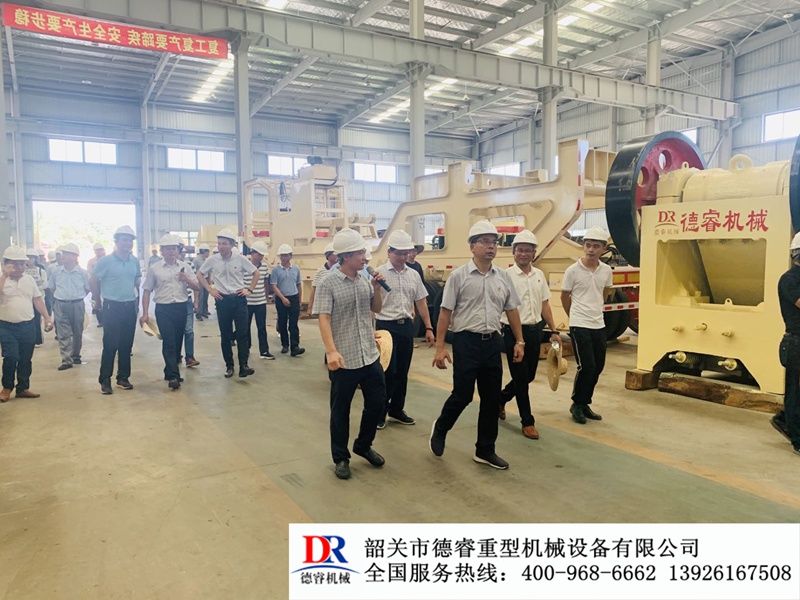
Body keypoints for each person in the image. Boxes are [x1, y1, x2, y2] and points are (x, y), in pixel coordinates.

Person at [429, 220, 524, 470]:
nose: (491, 246)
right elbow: (445, 313)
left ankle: (485, 450)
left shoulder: (503, 276)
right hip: (466, 342)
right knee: (462, 395)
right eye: (485, 242)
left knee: (491, 399)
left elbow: (512, 310)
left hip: (492, 342)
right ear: (472, 247)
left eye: (494, 242)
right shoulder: (458, 277)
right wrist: (440, 347)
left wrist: (519, 341)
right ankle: (441, 428)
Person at [314, 228, 388, 480]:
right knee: (340, 410)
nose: (365, 258)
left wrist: (376, 288)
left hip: (368, 354)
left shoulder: (364, 280)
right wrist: (331, 351)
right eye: (360, 253)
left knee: (377, 402)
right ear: (345, 256)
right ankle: (341, 457)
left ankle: (363, 445)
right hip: (344, 359)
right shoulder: (328, 283)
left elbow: (375, 309)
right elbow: (324, 318)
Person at [497, 230, 560, 439]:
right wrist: (517, 338)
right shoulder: (506, 276)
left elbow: (545, 304)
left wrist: (553, 330)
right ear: (513, 252)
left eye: (528, 250)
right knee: (521, 379)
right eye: (520, 250)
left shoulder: (539, 275)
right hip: (513, 332)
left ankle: (501, 399)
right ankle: (527, 421)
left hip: (534, 330)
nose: (523, 254)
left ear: (534, 253)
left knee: (529, 376)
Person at [374, 230, 435, 429]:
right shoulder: (379, 274)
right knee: (387, 372)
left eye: (405, 253)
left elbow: (421, 302)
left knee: (402, 371)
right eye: (398, 253)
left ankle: (397, 409)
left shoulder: (413, 275)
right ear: (389, 252)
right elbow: (370, 305)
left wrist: (428, 327)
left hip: (406, 327)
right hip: (386, 327)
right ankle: (380, 411)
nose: (402, 257)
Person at [560, 227, 613, 425]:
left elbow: (605, 292)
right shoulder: (573, 270)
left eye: (596, 246)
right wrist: (573, 316)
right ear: (583, 246)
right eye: (588, 245)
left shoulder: (606, 271)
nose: (591, 249)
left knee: (598, 366)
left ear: (603, 248)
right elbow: (565, 296)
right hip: (579, 323)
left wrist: (596, 309)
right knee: (586, 366)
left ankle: (585, 403)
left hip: (598, 323)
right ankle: (576, 403)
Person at [197, 229, 258, 379]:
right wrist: (210, 290)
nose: (221, 247)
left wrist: (249, 289)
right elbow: (200, 274)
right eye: (219, 243)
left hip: (239, 300)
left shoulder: (240, 259)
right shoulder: (213, 260)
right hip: (222, 300)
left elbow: (256, 273)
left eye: (224, 244)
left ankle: (243, 366)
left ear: (232, 245)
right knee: (225, 335)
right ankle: (229, 366)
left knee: (242, 333)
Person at [141, 234, 200, 390]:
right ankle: (174, 376)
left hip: (181, 307)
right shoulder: (155, 269)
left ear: (178, 250)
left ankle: (169, 370)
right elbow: (146, 291)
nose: (171, 251)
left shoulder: (185, 267)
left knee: (178, 340)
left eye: (174, 248)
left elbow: (197, 287)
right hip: (163, 309)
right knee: (169, 341)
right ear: (162, 251)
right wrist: (145, 313)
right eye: (167, 249)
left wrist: (186, 279)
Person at [90, 225, 141, 395]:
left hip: (129, 306)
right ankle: (105, 380)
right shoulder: (105, 261)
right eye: (124, 240)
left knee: (126, 344)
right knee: (110, 344)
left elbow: (136, 281)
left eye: (130, 240)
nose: (128, 243)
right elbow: (94, 279)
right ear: (117, 241)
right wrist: (97, 300)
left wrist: (136, 302)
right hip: (112, 307)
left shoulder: (134, 261)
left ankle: (123, 377)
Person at [0, 245, 53, 402]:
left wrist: (47, 317)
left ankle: (23, 387)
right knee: (10, 356)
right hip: (6, 326)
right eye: (14, 263)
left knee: (25, 358)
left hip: (28, 325)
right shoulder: (1, 279)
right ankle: (7, 387)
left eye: (21, 263)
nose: (19, 267)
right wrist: (4, 276)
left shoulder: (29, 280)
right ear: (5, 264)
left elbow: (37, 299)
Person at [772, 232, 800, 455]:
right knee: (796, 393)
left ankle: (785, 419)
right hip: (796, 343)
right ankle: (798, 439)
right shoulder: (789, 279)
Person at [48, 243, 90, 371]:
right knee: (63, 333)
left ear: (75, 256)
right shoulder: (56, 272)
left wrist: (77, 297)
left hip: (77, 304)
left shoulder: (82, 273)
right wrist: (61, 298)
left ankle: (75, 355)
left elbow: (87, 288)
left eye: (66, 254)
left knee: (77, 331)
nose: (63, 256)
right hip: (61, 304)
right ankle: (66, 360)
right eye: (62, 254)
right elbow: (52, 288)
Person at [270, 244, 304, 357]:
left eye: (286, 255)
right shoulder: (276, 270)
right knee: (282, 322)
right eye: (282, 255)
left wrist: (299, 299)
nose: (284, 258)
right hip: (281, 299)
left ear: (290, 256)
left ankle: (295, 346)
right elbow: (274, 286)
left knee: (293, 324)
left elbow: (299, 284)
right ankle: (285, 345)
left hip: (293, 297)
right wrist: (283, 298)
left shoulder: (295, 269)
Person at [243, 241, 274, 360]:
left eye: (262, 255)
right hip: (247, 302)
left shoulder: (264, 267)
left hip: (260, 302)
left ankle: (264, 351)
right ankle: (246, 349)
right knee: (245, 327)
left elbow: (266, 283)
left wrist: (266, 297)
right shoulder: (244, 266)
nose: (261, 257)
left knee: (262, 327)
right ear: (252, 253)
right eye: (259, 254)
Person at [25, 248, 48, 347]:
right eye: (28, 258)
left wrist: (35, 288)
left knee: (37, 319)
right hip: (26, 299)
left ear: (35, 259)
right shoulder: (23, 271)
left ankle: (38, 340)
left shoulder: (40, 271)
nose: (29, 260)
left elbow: (45, 285)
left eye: (31, 258)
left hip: (39, 299)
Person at [306, 243, 337, 317]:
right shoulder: (320, 271)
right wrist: (310, 307)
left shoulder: (341, 269)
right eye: (335, 254)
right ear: (328, 256)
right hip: (324, 306)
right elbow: (314, 289)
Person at [193, 243, 211, 320]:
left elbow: (208, 271)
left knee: (205, 297)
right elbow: (193, 271)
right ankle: (198, 314)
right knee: (200, 297)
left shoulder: (206, 260)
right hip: (199, 281)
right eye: (208, 252)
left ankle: (204, 311)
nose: (208, 253)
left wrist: (209, 280)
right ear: (204, 251)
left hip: (205, 280)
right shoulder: (196, 260)